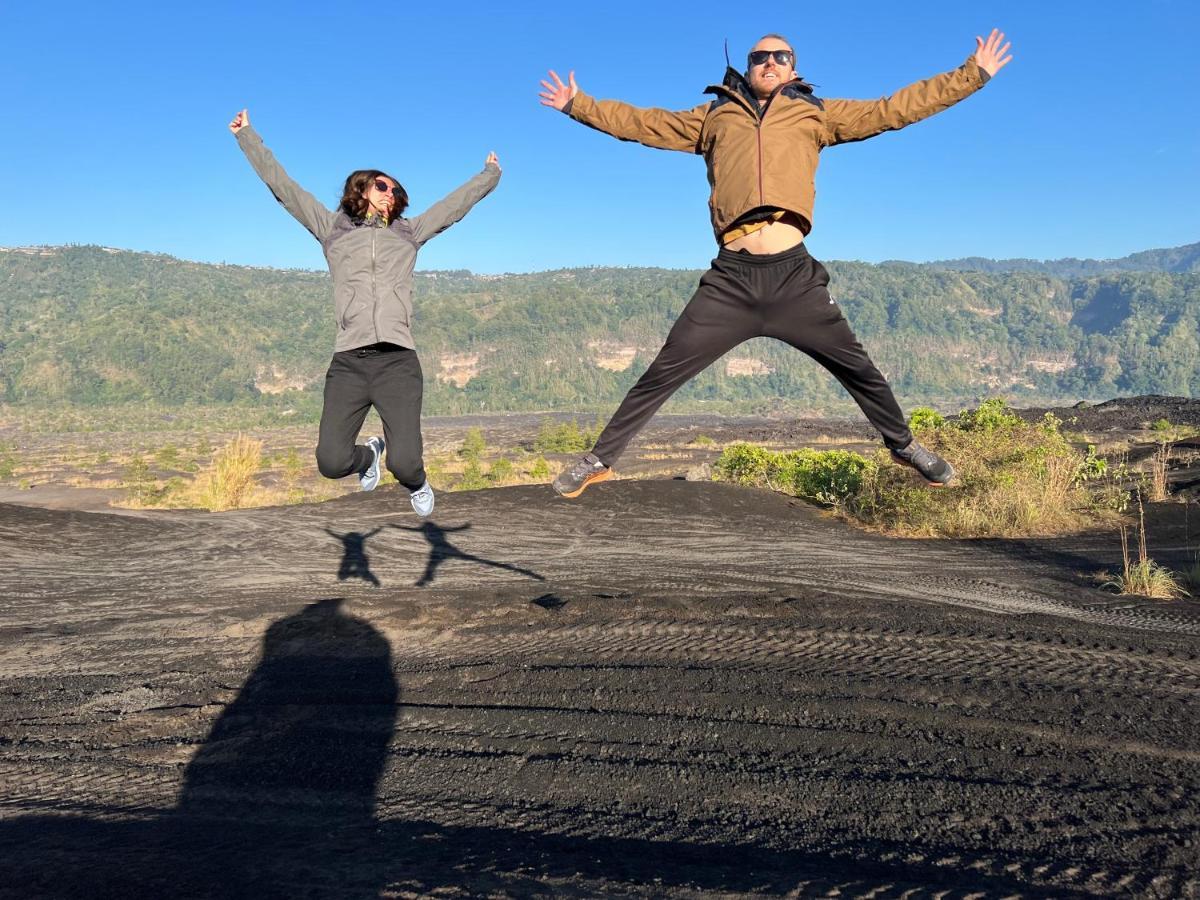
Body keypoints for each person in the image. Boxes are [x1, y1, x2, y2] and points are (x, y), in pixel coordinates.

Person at [539, 31, 1013, 498]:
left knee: (859, 368)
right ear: (747, 67)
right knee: (663, 370)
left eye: (780, 56)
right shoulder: (715, 117)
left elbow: (895, 108)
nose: (769, 62)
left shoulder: (817, 114)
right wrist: (578, 104)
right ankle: (599, 459)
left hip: (793, 278)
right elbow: (645, 123)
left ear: (793, 67)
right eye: (759, 56)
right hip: (732, 280)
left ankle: (905, 446)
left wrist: (973, 75)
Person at [229, 109, 501, 516]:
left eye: (395, 190)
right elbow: (283, 186)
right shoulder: (332, 228)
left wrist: (489, 176)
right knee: (331, 462)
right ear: (360, 188)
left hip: (397, 363)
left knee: (405, 463)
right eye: (381, 185)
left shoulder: (409, 233)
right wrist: (247, 136)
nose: (390, 192)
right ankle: (367, 456)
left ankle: (418, 482)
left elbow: (453, 206)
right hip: (350, 363)